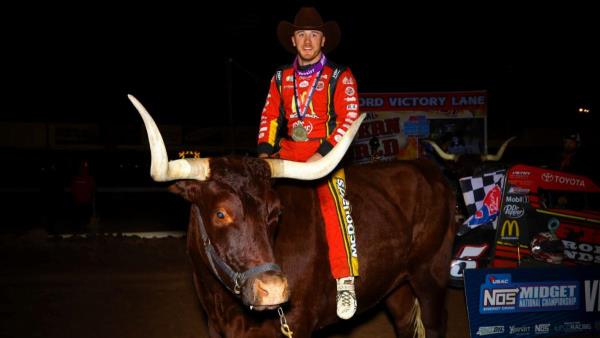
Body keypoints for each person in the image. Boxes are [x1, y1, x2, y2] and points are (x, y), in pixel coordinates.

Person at [257, 7, 360, 319]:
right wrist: (264, 154)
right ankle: (258, 272)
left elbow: (349, 119)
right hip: (287, 151)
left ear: (323, 40)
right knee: (254, 200)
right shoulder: (279, 77)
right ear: (293, 39)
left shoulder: (341, 76)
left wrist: (323, 153)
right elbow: (270, 116)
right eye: (301, 34)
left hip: (326, 154)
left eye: (313, 35)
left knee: (335, 205)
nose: (307, 40)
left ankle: (345, 282)